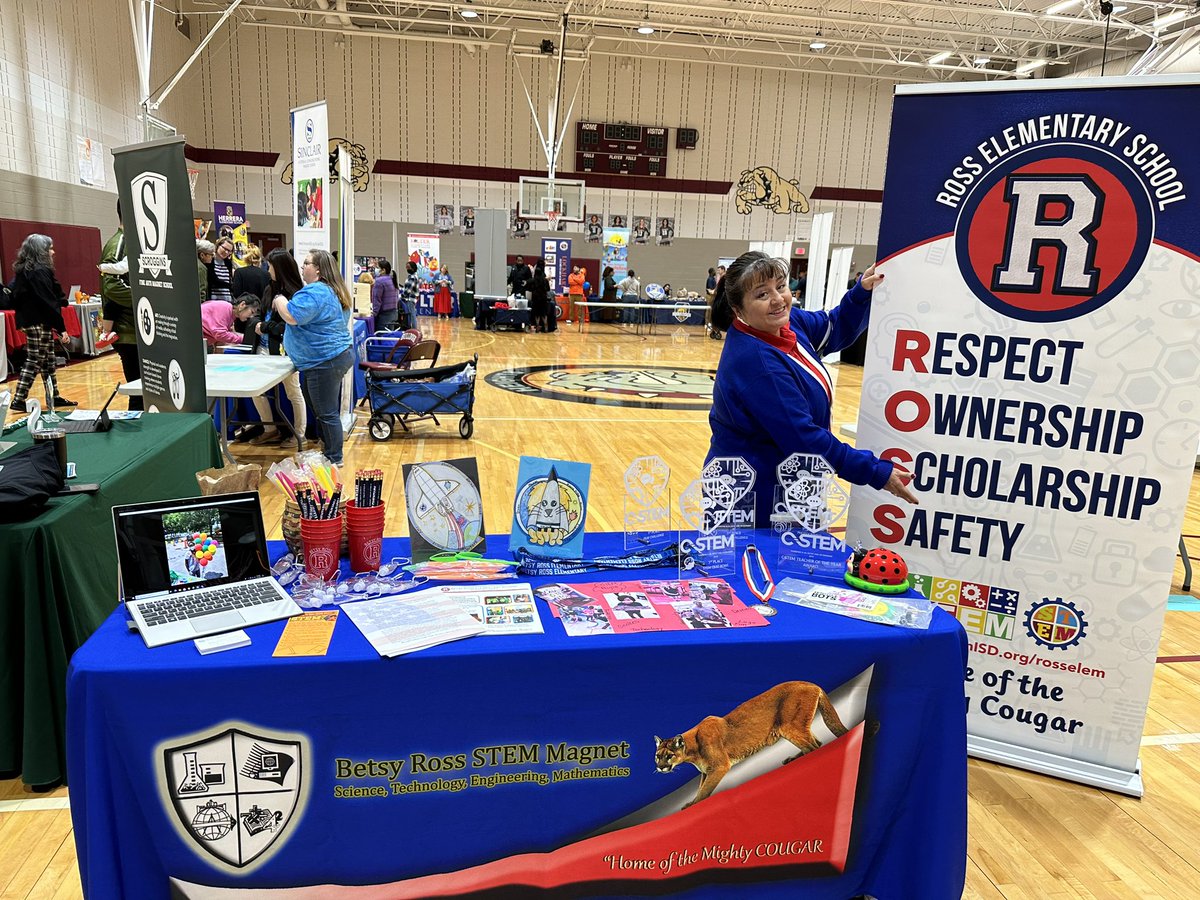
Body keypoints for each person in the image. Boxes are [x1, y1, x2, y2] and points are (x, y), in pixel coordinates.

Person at [706, 251, 917, 528]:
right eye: (761, 295)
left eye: (780, 287)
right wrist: (875, 472)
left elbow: (834, 326)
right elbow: (804, 439)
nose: (778, 299)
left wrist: (860, 293)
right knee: (758, 567)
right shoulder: (756, 363)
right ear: (738, 309)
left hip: (790, 480)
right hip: (755, 494)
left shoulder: (787, 325)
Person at [272, 249, 354, 464]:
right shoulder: (333, 291)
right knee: (323, 411)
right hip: (328, 359)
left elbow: (291, 316)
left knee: (327, 414)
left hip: (324, 361)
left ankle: (334, 458)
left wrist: (280, 300)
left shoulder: (315, 293)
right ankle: (328, 453)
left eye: (306, 263)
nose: (302, 266)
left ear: (318, 269)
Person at [247, 249, 308, 446]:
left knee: (293, 392)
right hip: (262, 348)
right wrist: (256, 323)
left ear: (280, 267)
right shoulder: (269, 288)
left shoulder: (296, 293)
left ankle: (300, 434)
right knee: (256, 390)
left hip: (285, 350)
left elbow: (292, 323)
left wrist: (266, 327)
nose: (268, 269)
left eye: (271, 265)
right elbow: (261, 312)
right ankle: (269, 429)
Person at [8, 234, 75, 412]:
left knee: (47, 359)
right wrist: (61, 328)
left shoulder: (24, 270)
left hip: (31, 319)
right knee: (35, 359)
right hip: (37, 320)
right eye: (49, 249)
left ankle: (54, 395)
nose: (53, 252)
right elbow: (48, 300)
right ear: (41, 252)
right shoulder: (38, 271)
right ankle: (19, 398)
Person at [98, 200, 141, 408]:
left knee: (144, 392)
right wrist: (145, 301)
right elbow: (111, 287)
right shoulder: (120, 243)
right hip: (128, 332)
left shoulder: (132, 242)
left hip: (138, 330)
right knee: (138, 392)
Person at [371, 258, 400, 330]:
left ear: (383, 270)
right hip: (394, 313)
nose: (376, 269)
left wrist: (374, 313)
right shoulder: (392, 279)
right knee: (389, 337)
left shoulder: (379, 281)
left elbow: (377, 298)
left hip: (384, 315)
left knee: (381, 336)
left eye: (377, 267)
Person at [207, 238, 235, 302]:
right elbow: (213, 280)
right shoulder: (210, 260)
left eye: (229, 251)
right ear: (218, 245)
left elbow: (229, 279)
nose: (226, 252)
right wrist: (231, 286)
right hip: (214, 300)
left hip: (227, 299)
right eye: (224, 248)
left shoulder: (228, 263)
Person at [529, 258, 552, 333]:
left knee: (537, 314)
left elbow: (531, 289)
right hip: (543, 297)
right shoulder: (545, 280)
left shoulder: (533, 280)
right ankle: (546, 327)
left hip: (535, 298)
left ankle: (537, 327)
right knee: (544, 313)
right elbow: (548, 289)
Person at [399, 260, 421, 329]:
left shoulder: (412, 277)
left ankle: (414, 330)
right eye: (406, 267)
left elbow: (408, 290)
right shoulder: (412, 276)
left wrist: (401, 296)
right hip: (410, 298)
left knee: (412, 315)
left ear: (413, 268)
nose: (407, 269)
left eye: (408, 267)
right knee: (411, 314)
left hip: (410, 299)